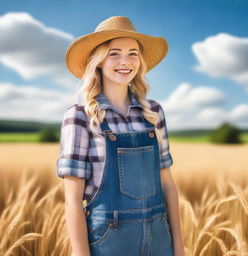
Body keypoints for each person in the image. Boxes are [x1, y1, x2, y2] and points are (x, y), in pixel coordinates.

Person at [56, 16, 185, 256]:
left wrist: (179, 248)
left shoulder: (154, 112)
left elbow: (168, 184)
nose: (125, 61)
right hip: (109, 244)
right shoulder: (80, 117)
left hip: (160, 240)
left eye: (133, 53)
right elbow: (73, 200)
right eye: (114, 53)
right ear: (99, 61)